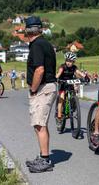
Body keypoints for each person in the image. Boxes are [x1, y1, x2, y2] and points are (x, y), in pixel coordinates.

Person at [25, 16, 57, 173]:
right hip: (47, 86)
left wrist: (33, 89)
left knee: (39, 124)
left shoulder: (36, 45)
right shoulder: (45, 44)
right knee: (40, 124)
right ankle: (43, 156)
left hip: (42, 88)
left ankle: (45, 160)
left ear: (28, 31)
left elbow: (39, 69)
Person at [55, 52, 85, 131]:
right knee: (61, 98)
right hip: (63, 83)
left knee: (74, 93)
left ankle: (73, 105)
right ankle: (59, 117)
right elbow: (58, 74)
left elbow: (79, 73)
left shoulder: (74, 67)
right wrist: (55, 78)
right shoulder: (62, 67)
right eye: (67, 60)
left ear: (73, 62)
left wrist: (85, 76)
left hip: (70, 83)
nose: (69, 62)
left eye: (71, 61)